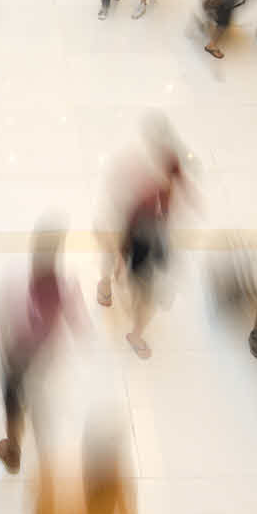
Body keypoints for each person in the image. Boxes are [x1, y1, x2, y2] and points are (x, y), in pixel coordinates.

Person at [0, 227, 83, 473]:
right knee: (36, 395)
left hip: (18, 357)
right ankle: (44, 453)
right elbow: (78, 323)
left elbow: (4, 323)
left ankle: (13, 452)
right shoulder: (66, 284)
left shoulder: (17, 285)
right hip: (46, 356)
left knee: (13, 402)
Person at [97, 145, 185, 358]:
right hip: (135, 243)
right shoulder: (148, 195)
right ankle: (134, 333)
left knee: (114, 260)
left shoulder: (154, 189)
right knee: (147, 297)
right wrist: (122, 257)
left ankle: (106, 287)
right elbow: (131, 226)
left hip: (136, 241)